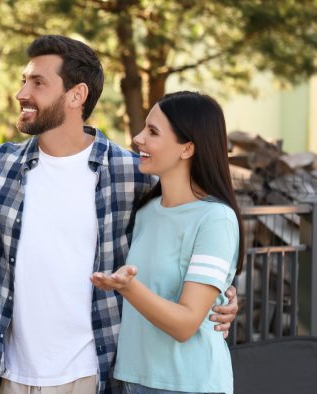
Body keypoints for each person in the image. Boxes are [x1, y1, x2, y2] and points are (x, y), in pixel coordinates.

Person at [0, 35, 239, 394]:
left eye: (38, 83)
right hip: (6, 370)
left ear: (77, 95)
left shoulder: (129, 174)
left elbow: (192, 229)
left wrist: (221, 297)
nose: (22, 93)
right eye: (23, 81)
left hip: (92, 372)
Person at [90, 91, 243, 394]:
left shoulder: (215, 220)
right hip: (132, 380)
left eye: (153, 132)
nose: (137, 138)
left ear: (187, 149)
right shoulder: (147, 212)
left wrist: (128, 288)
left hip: (188, 385)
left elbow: (186, 324)